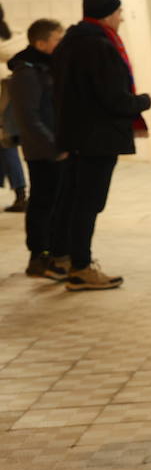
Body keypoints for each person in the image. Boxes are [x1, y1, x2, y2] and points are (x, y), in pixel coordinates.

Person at [50, 0, 151, 291]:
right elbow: (113, 98)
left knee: (70, 198)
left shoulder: (70, 42)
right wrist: (142, 102)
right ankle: (81, 268)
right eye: (119, 11)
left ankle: (63, 257)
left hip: (74, 135)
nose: (121, 17)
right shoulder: (100, 46)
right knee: (88, 203)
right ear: (108, 15)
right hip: (98, 138)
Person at [8, 19, 66, 277]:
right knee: (43, 202)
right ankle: (38, 257)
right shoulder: (26, 72)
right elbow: (29, 117)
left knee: (55, 202)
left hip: (55, 147)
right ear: (41, 43)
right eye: (57, 39)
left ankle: (53, 253)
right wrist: (54, 146)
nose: (61, 44)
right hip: (42, 151)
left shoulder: (46, 67)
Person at [0, 4, 27, 213]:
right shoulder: (14, 38)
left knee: (6, 145)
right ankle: (20, 193)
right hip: (12, 98)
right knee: (7, 145)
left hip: (3, 98)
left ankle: (20, 194)